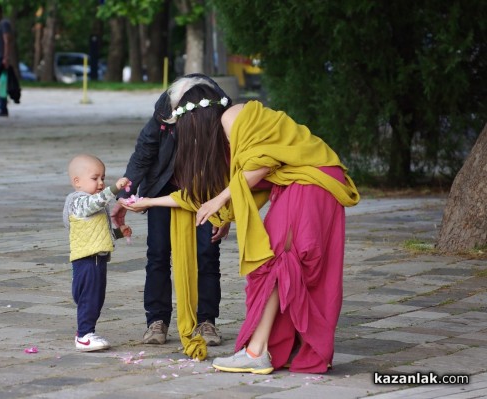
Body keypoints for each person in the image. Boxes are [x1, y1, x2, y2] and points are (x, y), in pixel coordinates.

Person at [122, 82, 360, 372]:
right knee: (283, 265)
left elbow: (263, 161)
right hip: (308, 187)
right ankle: (280, 348)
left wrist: (221, 200)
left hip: (309, 185)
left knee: (272, 262)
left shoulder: (233, 116)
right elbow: (198, 195)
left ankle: (257, 352)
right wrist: (150, 201)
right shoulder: (226, 141)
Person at [110, 75, 232, 352]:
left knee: (207, 252)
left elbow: (232, 166)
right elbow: (144, 152)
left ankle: (206, 320)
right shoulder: (165, 112)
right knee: (158, 253)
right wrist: (125, 196)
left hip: (206, 192)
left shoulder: (222, 113)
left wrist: (226, 213)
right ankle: (157, 320)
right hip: (163, 189)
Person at [63, 154, 132, 352]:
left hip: (97, 257)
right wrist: (115, 189)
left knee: (95, 296)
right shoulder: (77, 201)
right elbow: (93, 205)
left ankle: (86, 331)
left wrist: (118, 233)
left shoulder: (93, 201)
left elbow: (99, 232)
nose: (101, 183)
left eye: (103, 178)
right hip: (86, 258)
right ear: (77, 181)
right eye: (95, 178)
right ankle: (84, 335)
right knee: (89, 297)